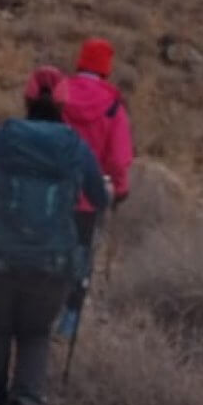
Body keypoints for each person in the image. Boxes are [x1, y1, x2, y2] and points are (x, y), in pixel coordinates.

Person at [0, 66, 110, 405]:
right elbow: (101, 198)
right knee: (36, 334)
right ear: (63, 105)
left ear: (26, 100)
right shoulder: (75, 145)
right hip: (53, 260)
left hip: (2, 254)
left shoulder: (6, 135)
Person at [54, 38, 134, 319]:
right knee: (81, 254)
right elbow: (118, 158)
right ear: (106, 69)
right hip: (87, 198)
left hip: (49, 188)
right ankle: (69, 317)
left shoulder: (58, 92)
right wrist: (120, 190)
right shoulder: (114, 107)